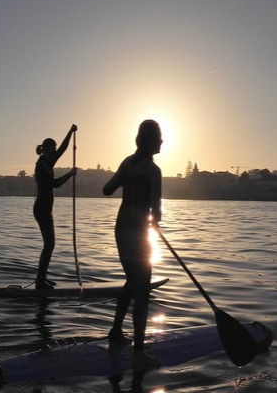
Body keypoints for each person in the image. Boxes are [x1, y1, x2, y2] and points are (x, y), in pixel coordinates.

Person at [103, 119, 163, 369]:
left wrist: (125, 180)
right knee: (143, 289)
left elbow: (107, 189)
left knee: (133, 280)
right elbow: (156, 211)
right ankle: (139, 352)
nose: (162, 141)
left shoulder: (127, 162)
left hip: (121, 229)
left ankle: (116, 332)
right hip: (137, 233)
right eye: (159, 137)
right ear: (150, 141)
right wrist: (154, 221)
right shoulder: (152, 170)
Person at [33, 124, 77, 289]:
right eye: (52, 150)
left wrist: (70, 132)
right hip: (41, 210)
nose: (54, 153)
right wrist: (70, 174)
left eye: (54, 150)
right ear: (45, 150)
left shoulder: (48, 162)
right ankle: (40, 280)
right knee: (49, 244)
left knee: (50, 244)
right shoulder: (41, 167)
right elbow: (55, 184)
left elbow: (64, 149)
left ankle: (42, 278)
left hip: (46, 210)